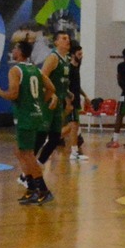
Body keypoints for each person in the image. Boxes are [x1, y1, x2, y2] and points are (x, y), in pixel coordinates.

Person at [2, 38, 55, 206]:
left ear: (20, 52)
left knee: (27, 154)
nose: (13, 51)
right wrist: (39, 102)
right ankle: (32, 188)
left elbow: (14, 94)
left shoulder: (15, 70)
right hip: (36, 115)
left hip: (25, 116)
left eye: (15, 48)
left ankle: (43, 189)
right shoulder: (36, 70)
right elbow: (51, 89)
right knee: (20, 152)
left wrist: (0, 93)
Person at [38, 31, 78, 168]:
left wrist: (67, 92)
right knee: (41, 137)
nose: (68, 40)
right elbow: (42, 76)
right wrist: (52, 93)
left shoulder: (66, 59)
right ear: (56, 42)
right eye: (64, 38)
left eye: (68, 38)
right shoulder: (53, 58)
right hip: (49, 102)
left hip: (59, 103)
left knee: (55, 138)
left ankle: (36, 165)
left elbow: (59, 81)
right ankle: (28, 170)